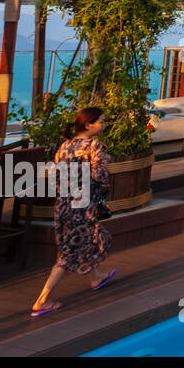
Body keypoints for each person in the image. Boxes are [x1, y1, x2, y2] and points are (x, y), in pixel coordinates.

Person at [30, 107, 117, 316]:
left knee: (81, 240)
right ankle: (42, 299)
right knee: (70, 251)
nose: (103, 125)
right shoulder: (93, 145)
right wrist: (106, 164)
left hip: (63, 204)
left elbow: (55, 176)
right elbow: (100, 175)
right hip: (82, 205)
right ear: (88, 125)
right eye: (101, 122)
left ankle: (95, 277)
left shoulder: (65, 146)